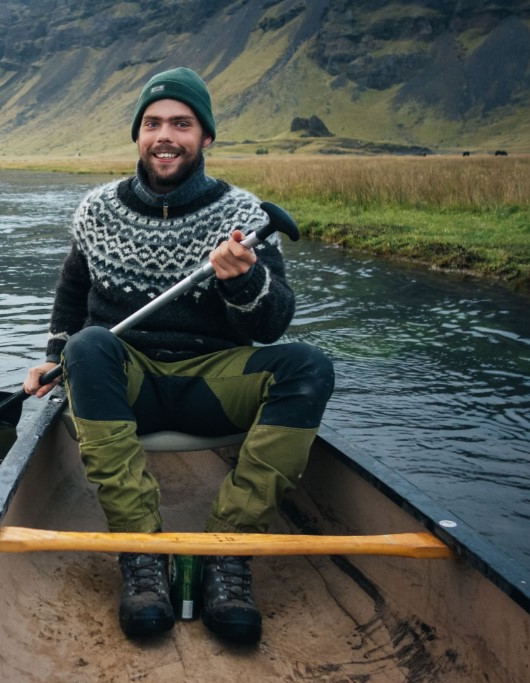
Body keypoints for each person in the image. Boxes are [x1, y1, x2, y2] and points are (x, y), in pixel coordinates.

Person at [22, 68, 335, 644]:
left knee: (308, 365)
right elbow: (71, 295)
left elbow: (272, 325)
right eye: (153, 123)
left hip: (210, 384)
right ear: (138, 136)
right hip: (126, 383)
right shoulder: (95, 210)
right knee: (91, 344)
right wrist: (53, 357)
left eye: (182, 124)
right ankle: (142, 553)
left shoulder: (243, 219)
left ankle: (227, 552)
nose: (165, 135)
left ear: (206, 138)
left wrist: (244, 283)